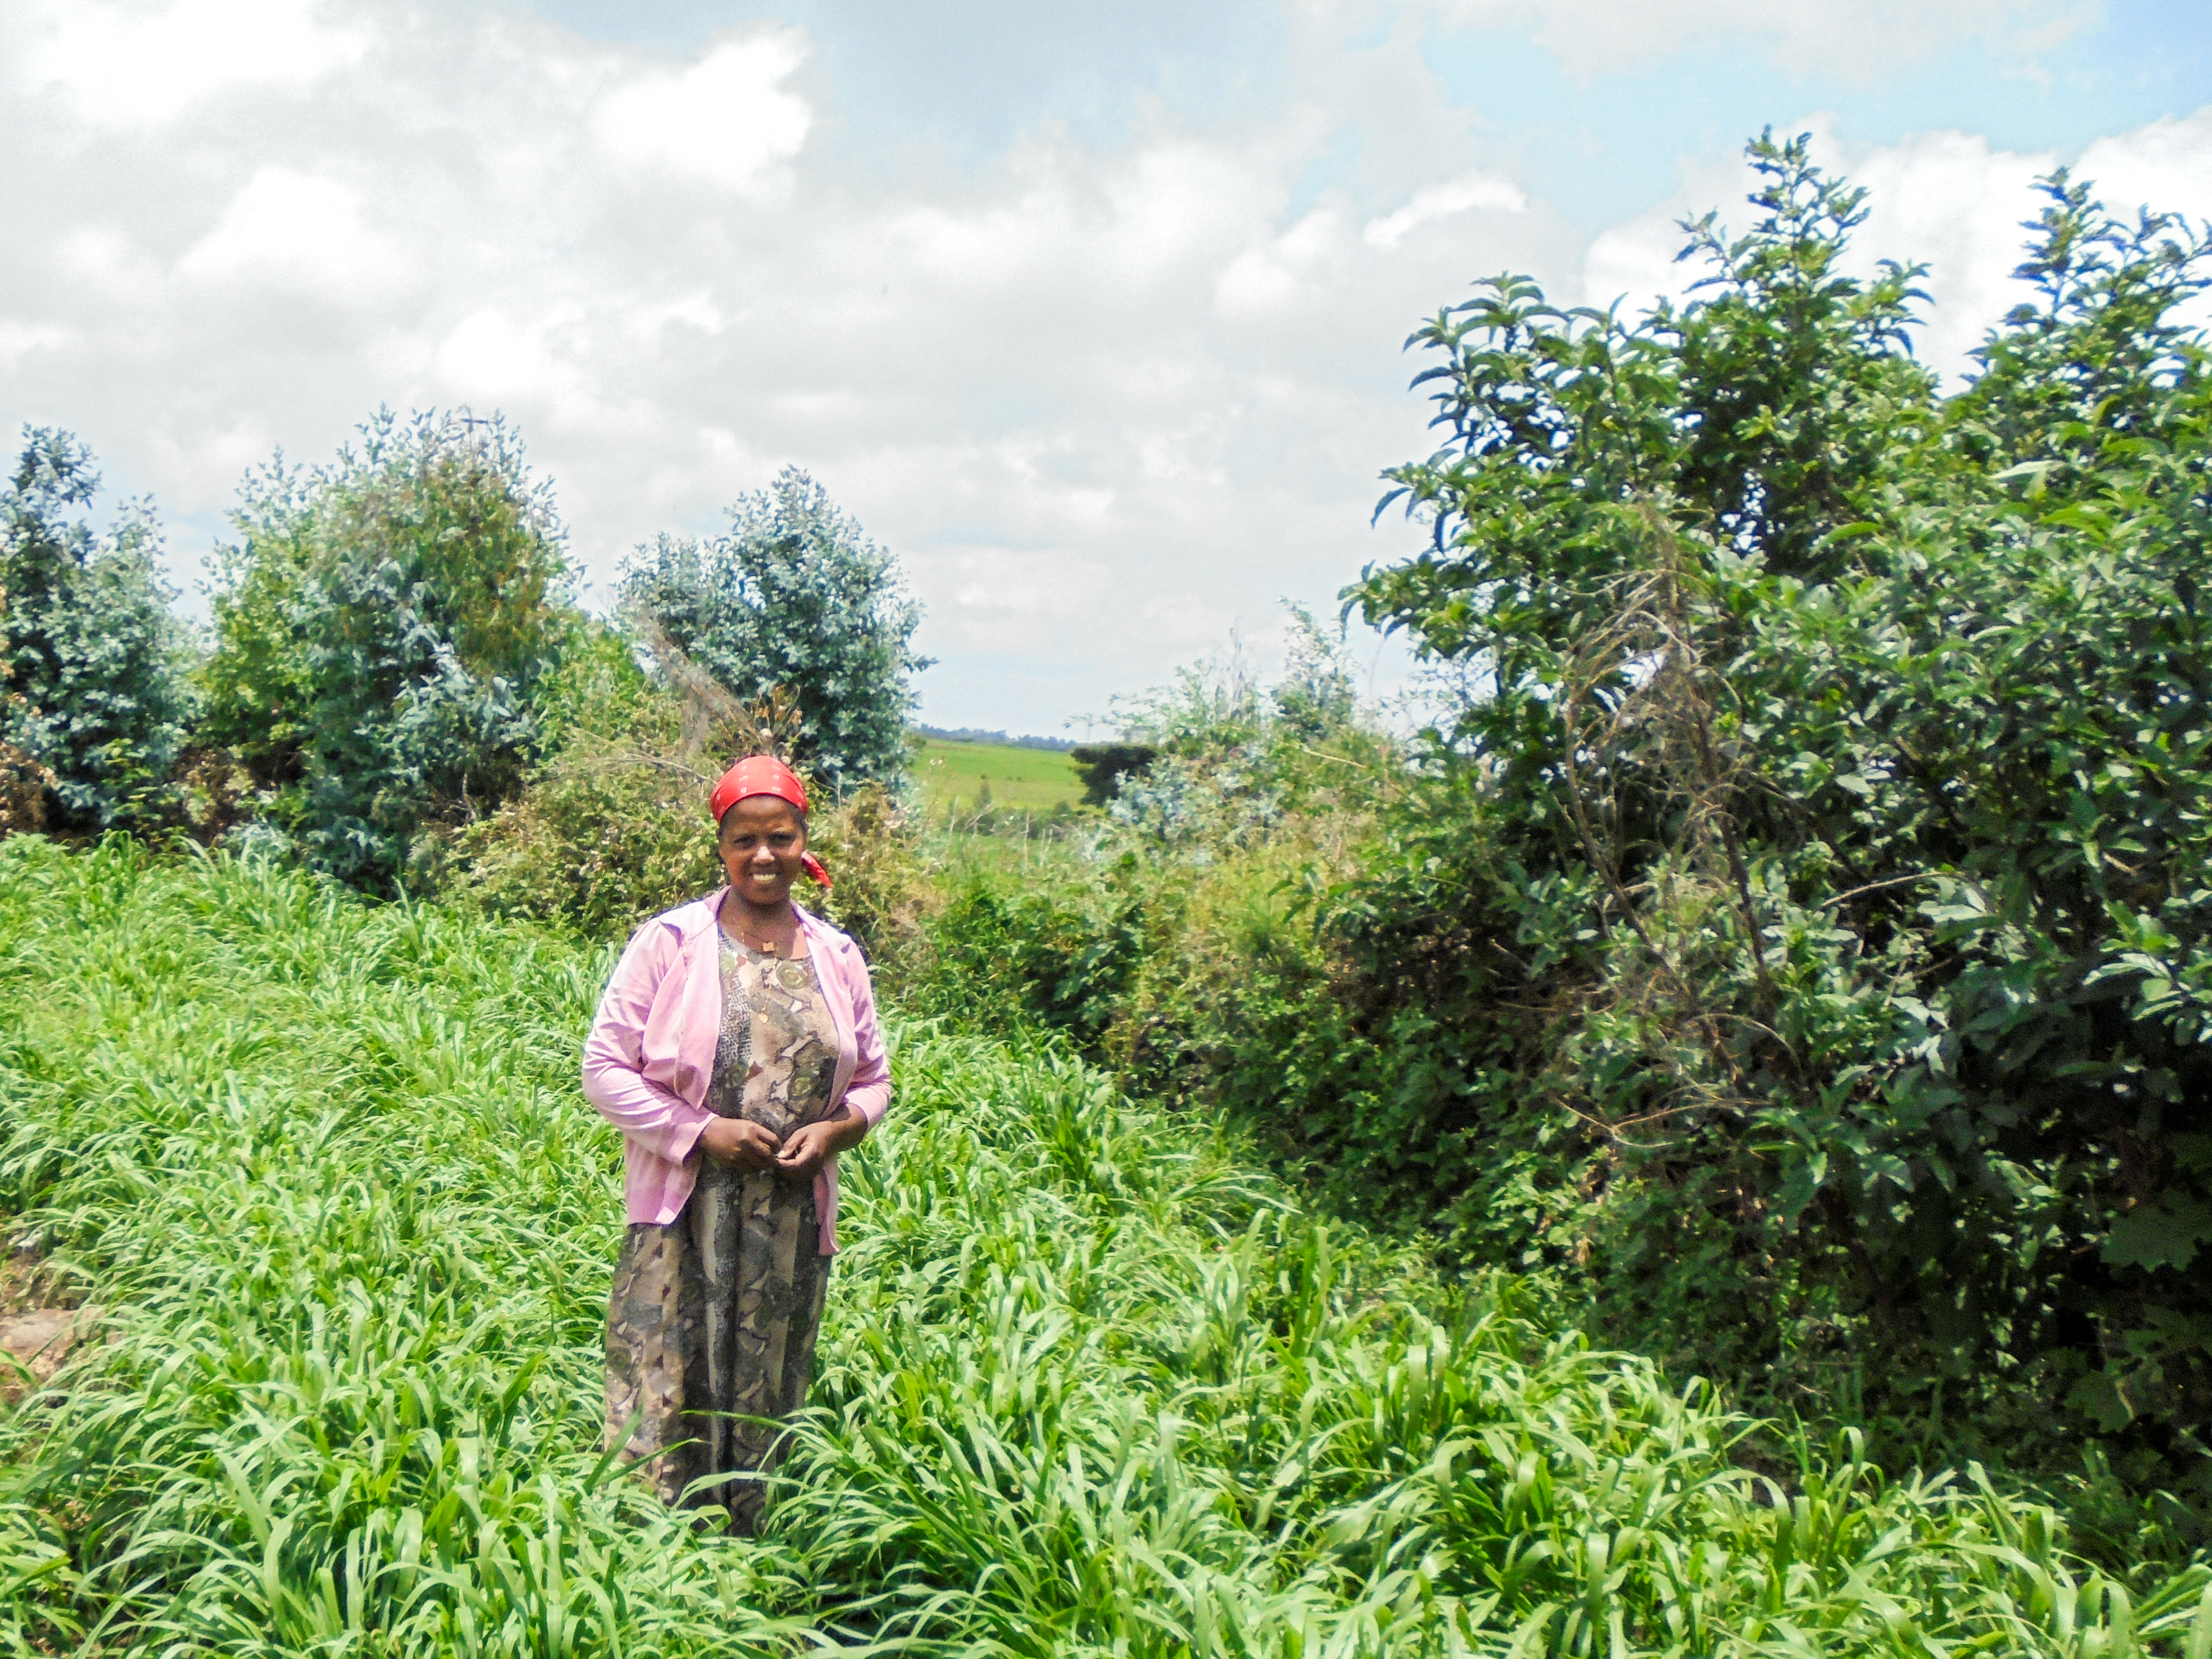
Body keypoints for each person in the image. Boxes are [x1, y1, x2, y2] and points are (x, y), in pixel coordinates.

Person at [581, 754, 889, 1530]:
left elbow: (875, 1081)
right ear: (720, 845)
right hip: (684, 1209)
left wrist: (837, 1129)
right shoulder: (671, 941)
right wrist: (699, 1131)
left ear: (803, 840)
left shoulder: (837, 954)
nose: (763, 854)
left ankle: (754, 1539)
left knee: (767, 1382)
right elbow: (603, 1069)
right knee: (665, 1368)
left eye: (780, 836)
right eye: (744, 838)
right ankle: (651, 1554)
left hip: (786, 1222)